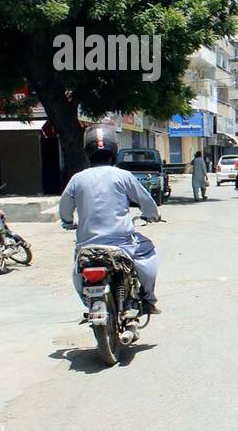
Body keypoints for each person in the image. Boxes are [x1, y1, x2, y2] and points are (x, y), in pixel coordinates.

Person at [59, 124, 162, 313]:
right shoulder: (123, 176)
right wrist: (153, 215)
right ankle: (148, 297)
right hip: (122, 244)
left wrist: (67, 222)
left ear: (87, 152)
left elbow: (65, 207)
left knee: (77, 269)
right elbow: (145, 200)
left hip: (87, 246)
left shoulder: (77, 179)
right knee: (147, 254)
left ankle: (88, 301)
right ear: (114, 150)